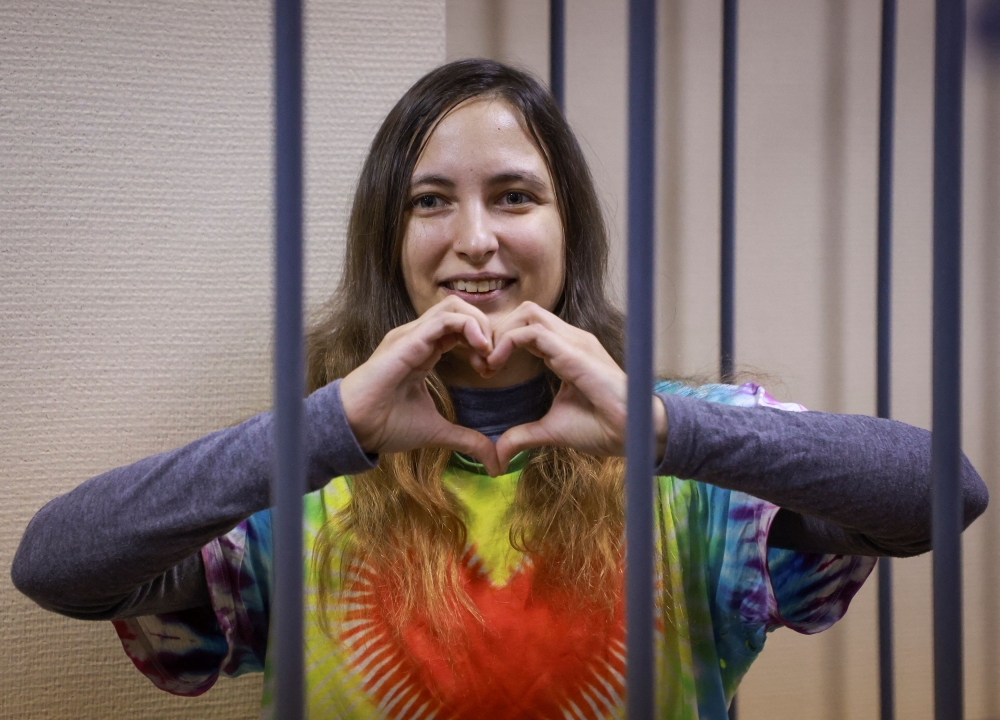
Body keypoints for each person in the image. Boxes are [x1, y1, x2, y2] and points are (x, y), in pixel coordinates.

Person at [11, 59, 988, 720]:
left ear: (570, 235)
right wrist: (335, 424)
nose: (474, 238)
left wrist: (659, 429)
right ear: (389, 245)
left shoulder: (691, 451)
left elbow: (947, 490)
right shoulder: (297, 465)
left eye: (514, 196)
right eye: (430, 201)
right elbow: (55, 565)